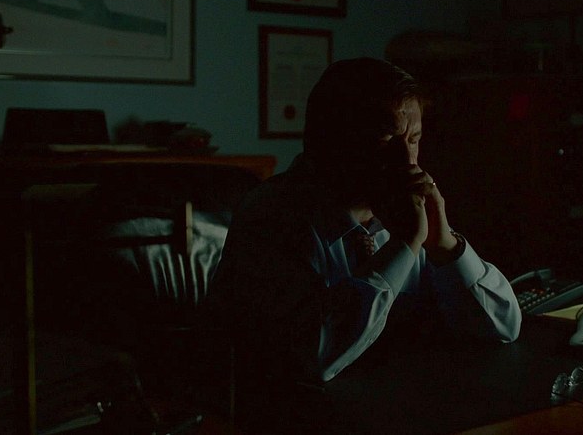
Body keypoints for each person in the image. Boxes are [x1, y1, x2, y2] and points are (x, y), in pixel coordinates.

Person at [214, 57, 521, 429]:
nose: (408, 162)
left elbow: (502, 327)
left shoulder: (405, 211)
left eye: (414, 140)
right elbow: (310, 358)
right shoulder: (272, 216)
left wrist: (445, 245)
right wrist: (402, 247)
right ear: (332, 141)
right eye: (386, 140)